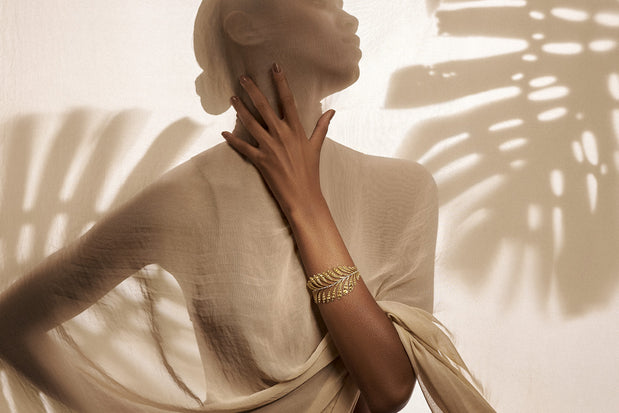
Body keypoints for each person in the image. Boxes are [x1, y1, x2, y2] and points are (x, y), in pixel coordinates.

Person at [0, 1, 495, 412]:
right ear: (245, 24)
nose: (348, 17)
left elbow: (389, 388)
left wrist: (305, 203)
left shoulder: (403, 189)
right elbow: (11, 323)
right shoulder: (185, 198)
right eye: (322, 3)